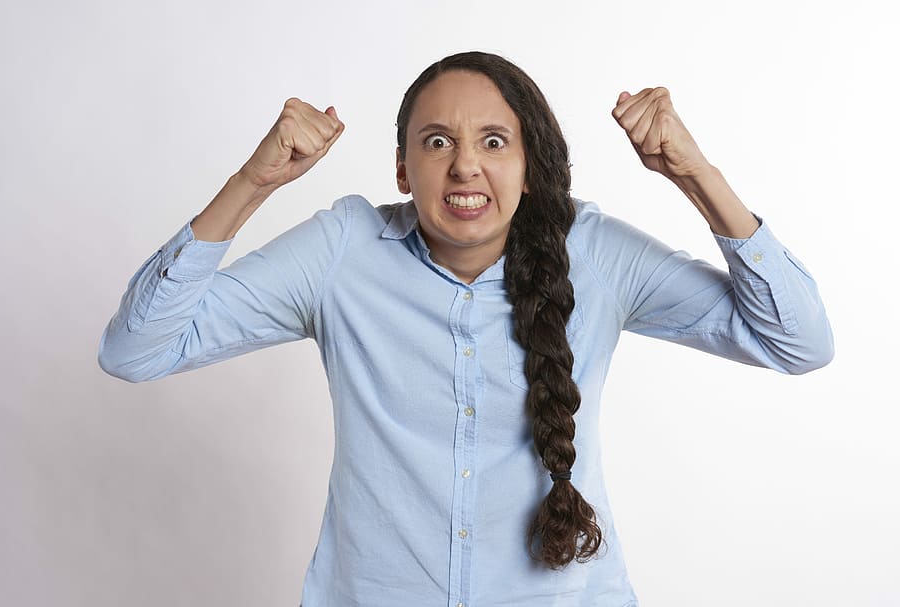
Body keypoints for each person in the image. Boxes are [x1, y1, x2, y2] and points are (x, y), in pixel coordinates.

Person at [99, 51, 834, 606]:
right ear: (401, 167)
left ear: (530, 164)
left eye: (492, 140)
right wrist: (251, 183)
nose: (464, 168)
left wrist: (695, 173)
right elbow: (136, 349)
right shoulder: (343, 251)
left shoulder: (597, 254)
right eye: (436, 142)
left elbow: (797, 340)